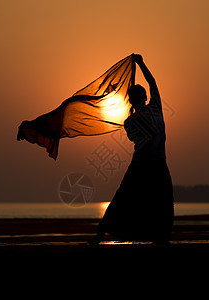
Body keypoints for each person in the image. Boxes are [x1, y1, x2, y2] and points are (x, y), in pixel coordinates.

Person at [90, 54, 174, 245]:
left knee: (160, 200)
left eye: (137, 95)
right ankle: (101, 235)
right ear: (137, 99)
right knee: (127, 198)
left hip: (157, 162)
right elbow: (143, 137)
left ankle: (161, 237)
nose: (138, 97)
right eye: (135, 95)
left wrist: (142, 64)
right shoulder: (132, 120)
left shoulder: (152, 108)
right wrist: (142, 63)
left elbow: (152, 82)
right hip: (144, 163)